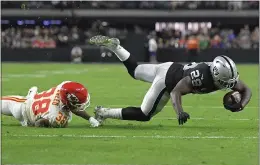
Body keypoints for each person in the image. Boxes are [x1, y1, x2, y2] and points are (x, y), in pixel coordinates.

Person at [89, 35, 252, 125]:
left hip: (170, 66)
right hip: (167, 82)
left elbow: (246, 89)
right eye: (224, 81)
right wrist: (179, 112)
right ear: (216, 74)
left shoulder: (223, 74)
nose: (227, 85)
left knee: (135, 71)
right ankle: (103, 112)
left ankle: (116, 47)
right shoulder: (202, 77)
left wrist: (241, 105)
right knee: (144, 114)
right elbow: (176, 91)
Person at [1, 81, 100, 128]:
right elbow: (38, 123)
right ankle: (31, 94)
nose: (80, 106)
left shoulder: (63, 87)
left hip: (29, 104)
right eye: (78, 104)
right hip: (23, 106)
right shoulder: (56, 116)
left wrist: (90, 119)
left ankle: (32, 93)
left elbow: (72, 107)